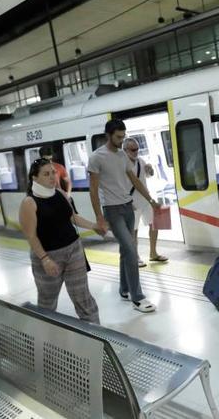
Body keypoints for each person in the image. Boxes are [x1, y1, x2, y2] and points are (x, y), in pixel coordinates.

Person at [88, 119, 161, 313]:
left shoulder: (122, 156)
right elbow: (93, 190)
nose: (121, 141)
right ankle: (138, 297)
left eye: (123, 136)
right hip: (112, 211)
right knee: (130, 249)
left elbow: (135, 181)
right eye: (118, 137)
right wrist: (99, 217)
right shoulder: (97, 157)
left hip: (128, 208)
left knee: (125, 250)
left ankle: (124, 288)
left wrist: (151, 200)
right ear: (108, 135)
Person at [20, 158, 104, 323]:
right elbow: (31, 235)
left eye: (53, 173)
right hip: (48, 256)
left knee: (82, 296)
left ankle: (97, 336)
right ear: (34, 178)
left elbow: (73, 218)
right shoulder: (29, 203)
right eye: (46, 174)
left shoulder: (61, 194)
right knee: (47, 302)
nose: (52, 177)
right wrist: (44, 259)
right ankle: (45, 337)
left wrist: (93, 225)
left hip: (74, 250)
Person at [123, 137, 168, 267]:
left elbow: (147, 176)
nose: (136, 152)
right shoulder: (121, 164)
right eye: (133, 150)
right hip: (131, 201)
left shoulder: (140, 161)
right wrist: (126, 202)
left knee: (155, 224)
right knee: (133, 231)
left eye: (137, 149)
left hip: (145, 199)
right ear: (125, 150)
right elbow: (119, 186)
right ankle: (135, 257)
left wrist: (150, 170)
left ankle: (153, 253)